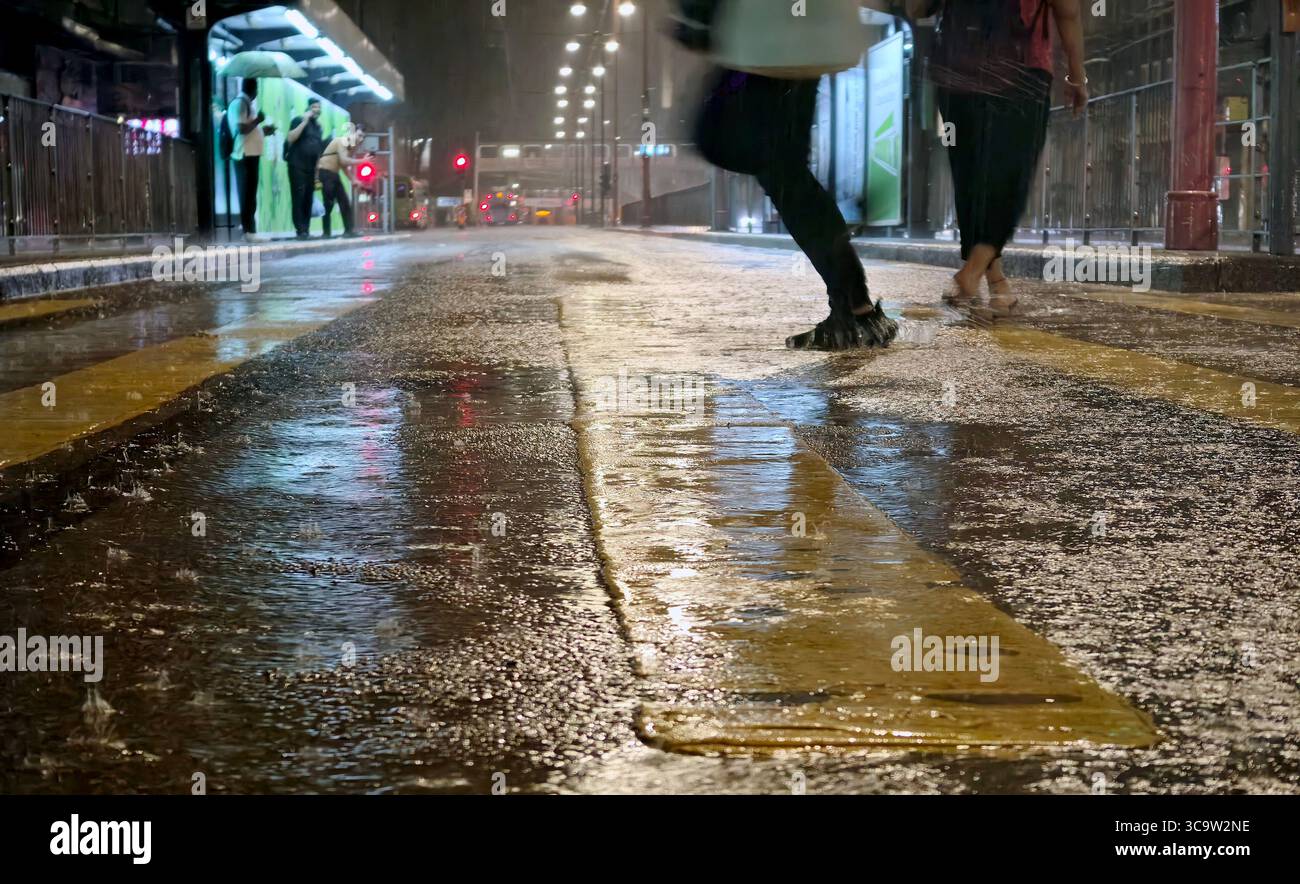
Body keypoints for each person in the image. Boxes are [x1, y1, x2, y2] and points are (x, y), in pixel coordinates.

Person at [675, 0, 898, 350]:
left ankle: (854, 311)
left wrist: (698, 18)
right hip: (804, 43)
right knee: (784, 173)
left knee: (741, 149)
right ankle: (856, 309)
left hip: (764, 43)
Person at [918, 0, 1087, 315]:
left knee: (971, 176)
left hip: (956, 72)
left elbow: (917, 8)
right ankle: (972, 271)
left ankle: (998, 285)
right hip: (1021, 71)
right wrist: (1077, 76)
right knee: (1011, 174)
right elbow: (1067, 9)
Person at [227, 78, 277, 237]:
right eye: (257, 89)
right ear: (253, 89)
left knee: (250, 194)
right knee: (246, 194)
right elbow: (241, 129)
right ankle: (248, 230)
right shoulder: (240, 104)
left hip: (252, 154)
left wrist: (264, 130)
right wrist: (258, 120)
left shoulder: (247, 104)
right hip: (244, 155)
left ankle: (251, 230)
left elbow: (250, 131)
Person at [317, 124, 366, 238]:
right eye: (359, 135)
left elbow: (343, 166)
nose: (361, 139)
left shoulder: (349, 146)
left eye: (363, 137)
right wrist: (362, 161)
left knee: (344, 203)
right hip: (325, 173)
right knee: (328, 204)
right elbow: (344, 161)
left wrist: (353, 180)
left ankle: (349, 231)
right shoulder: (341, 141)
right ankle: (326, 233)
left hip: (334, 174)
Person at [285, 99, 325, 239]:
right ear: (308, 108)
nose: (316, 109)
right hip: (297, 165)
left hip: (310, 168)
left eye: (318, 107)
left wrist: (317, 173)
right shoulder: (298, 120)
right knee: (299, 198)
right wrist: (304, 121)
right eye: (314, 107)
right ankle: (300, 229)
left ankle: (306, 229)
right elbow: (291, 137)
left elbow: (318, 151)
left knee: (308, 198)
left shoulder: (319, 127)